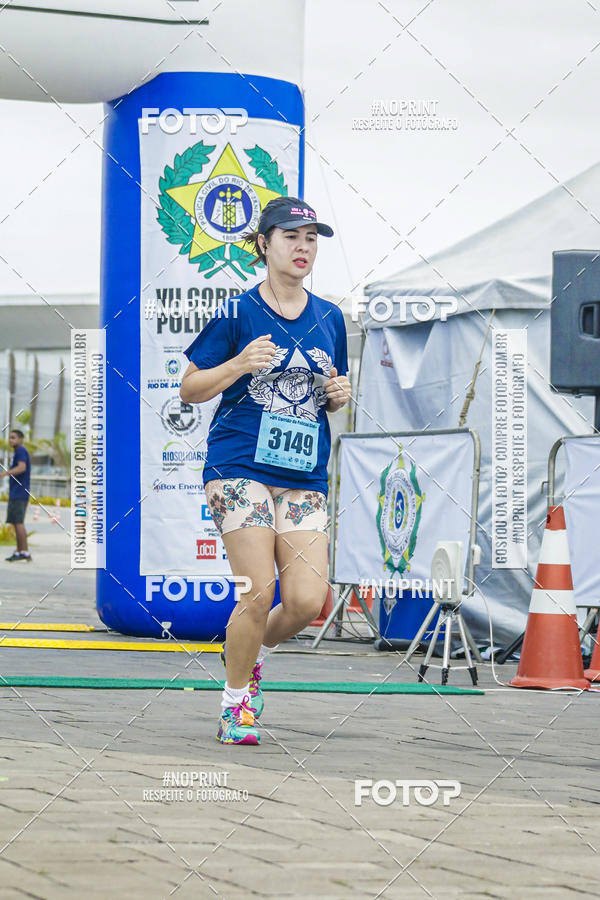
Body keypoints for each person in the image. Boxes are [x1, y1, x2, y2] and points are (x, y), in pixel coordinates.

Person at [180, 196, 351, 745]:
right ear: (263, 244)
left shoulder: (330, 316)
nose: (303, 247)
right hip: (239, 465)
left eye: (311, 239)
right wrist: (236, 365)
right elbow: (189, 388)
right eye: (291, 237)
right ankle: (235, 704)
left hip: (302, 473)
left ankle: (247, 653)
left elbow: (329, 394)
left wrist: (337, 396)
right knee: (257, 592)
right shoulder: (238, 312)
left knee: (305, 601)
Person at [1, 428, 32, 562]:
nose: (11, 440)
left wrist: (4, 474)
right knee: (16, 522)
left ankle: (23, 552)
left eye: (14, 437)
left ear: (20, 439)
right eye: (10, 438)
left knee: (18, 522)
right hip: (17, 493)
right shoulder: (19, 451)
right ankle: (20, 551)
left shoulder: (20, 451)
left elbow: (22, 467)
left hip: (19, 493)